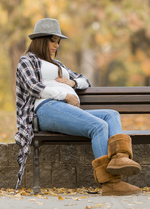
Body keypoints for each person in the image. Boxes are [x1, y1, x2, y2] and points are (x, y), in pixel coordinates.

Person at [15, 18, 142, 196]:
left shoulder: (57, 64)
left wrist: (72, 82)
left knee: (111, 115)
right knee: (99, 126)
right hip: (46, 109)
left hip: (66, 109)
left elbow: (85, 80)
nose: (56, 46)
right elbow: (33, 87)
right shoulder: (27, 60)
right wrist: (65, 95)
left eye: (58, 42)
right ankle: (111, 184)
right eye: (53, 40)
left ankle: (120, 158)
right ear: (41, 39)